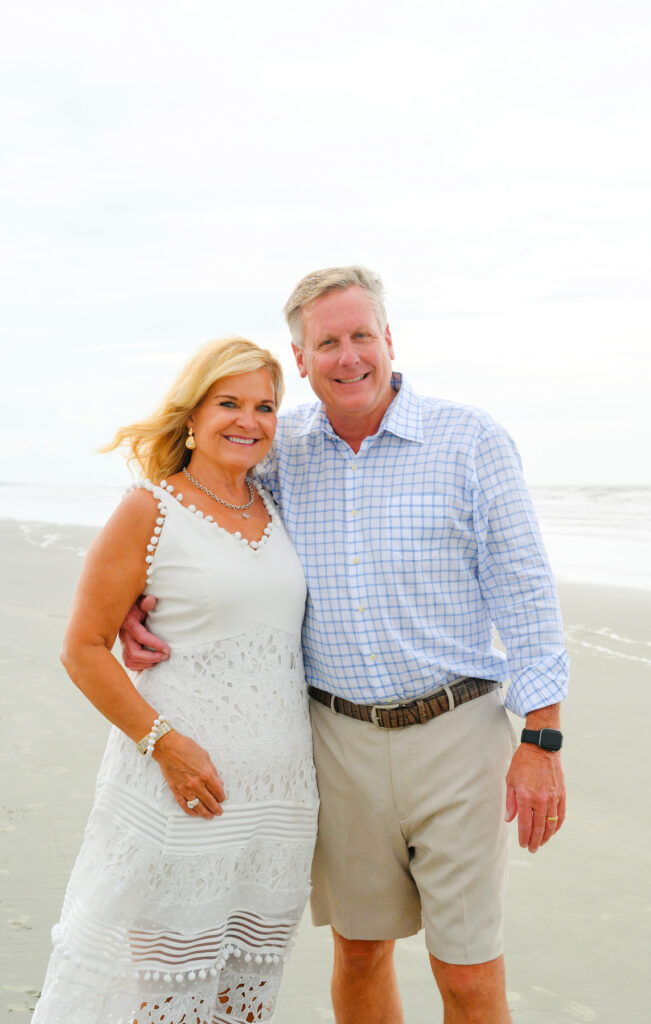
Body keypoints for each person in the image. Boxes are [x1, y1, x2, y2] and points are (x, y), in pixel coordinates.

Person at [121, 268, 569, 1024]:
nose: (348, 356)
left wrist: (543, 738)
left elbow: (525, 591)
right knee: (360, 953)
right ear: (301, 360)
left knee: (466, 970)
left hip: (459, 735)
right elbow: (197, 503)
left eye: (362, 336)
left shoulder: (471, 440)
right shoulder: (279, 447)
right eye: (327, 342)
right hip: (335, 741)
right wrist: (145, 589)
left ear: (390, 340)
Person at [31, 338, 319, 1024]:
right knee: (163, 995)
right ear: (192, 413)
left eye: (265, 407)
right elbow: (84, 648)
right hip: (181, 793)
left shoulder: (276, 508)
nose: (248, 420)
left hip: (276, 804)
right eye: (229, 403)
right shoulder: (149, 509)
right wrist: (164, 744)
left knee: (241, 998)